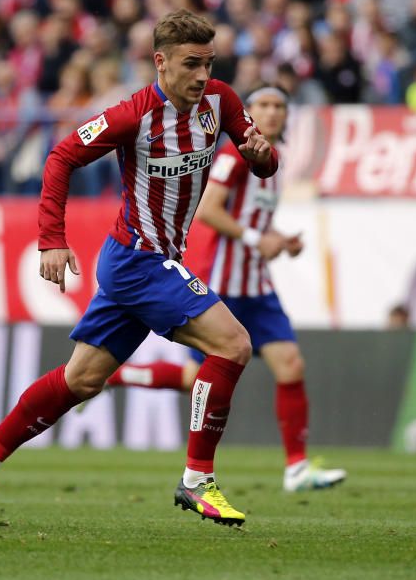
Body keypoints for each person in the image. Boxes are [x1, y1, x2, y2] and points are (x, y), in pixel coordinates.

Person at [0, 10, 278, 529]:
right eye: (191, 64)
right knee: (233, 344)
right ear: (161, 62)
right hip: (138, 261)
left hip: (149, 261)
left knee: (81, 380)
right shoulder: (133, 115)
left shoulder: (222, 101)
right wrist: (51, 241)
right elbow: (60, 156)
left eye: (208, 63)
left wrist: (264, 157)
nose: (201, 75)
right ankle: (197, 481)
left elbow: (258, 160)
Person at [103, 85, 347, 493]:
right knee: (196, 377)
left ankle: (297, 468)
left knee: (291, 365)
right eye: (263, 106)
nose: (271, 113)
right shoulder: (235, 155)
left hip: (258, 284)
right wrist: (257, 240)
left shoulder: (273, 161)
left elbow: (252, 220)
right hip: (227, 282)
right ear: (248, 112)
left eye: (279, 107)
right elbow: (210, 210)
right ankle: (115, 377)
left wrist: (278, 240)